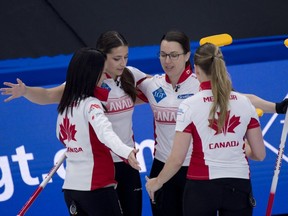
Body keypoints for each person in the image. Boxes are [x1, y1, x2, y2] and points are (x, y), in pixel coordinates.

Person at [135, 30, 287, 216]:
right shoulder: (153, 85)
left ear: (187, 56)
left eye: (174, 55)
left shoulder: (198, 82)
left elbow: (238, 98)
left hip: (194, 168)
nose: (167, 61)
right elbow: (123, 100)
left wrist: (277, 107)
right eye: (163, 55)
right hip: (162, 165)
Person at [0, 31, 146, 216]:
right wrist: (26, 91)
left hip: (127, 162)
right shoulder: (83, 84)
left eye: (125, 57)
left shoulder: (130, 75)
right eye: (116, 58)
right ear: (101, 56)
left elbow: (158, 90)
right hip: (102, 164)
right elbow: (48, 96)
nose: (122, 63)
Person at [55, 47, 141, 215]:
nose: (104, 77)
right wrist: (126, 151)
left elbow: (60, 136)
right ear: (91, 74)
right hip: (96, 187)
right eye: (102, 73)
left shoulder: (65, 105)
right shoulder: (91, 104)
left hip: (71, 188)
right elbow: (106, 134)